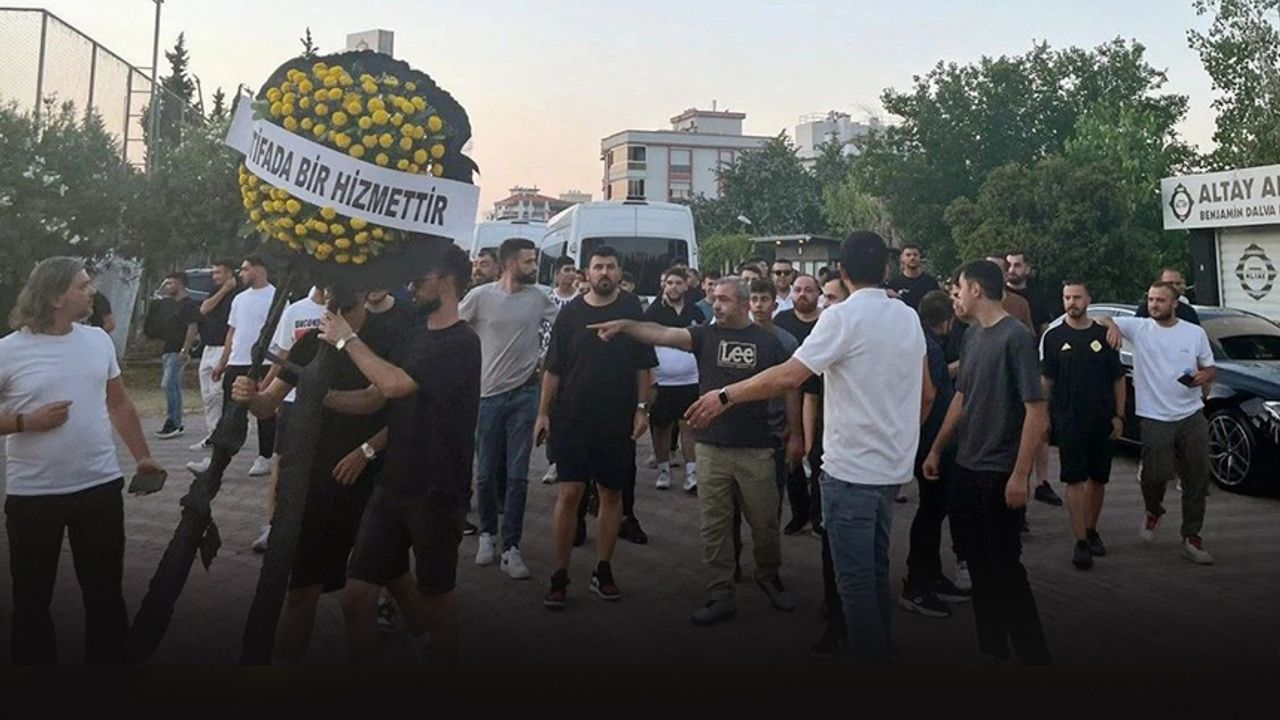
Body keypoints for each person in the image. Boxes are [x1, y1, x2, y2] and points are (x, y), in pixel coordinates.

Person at [685, 232, 932, 664]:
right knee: (874, 571)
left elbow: (788, 376)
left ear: (842, 271)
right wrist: (900, 437)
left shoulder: (841, 318)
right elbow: (927, 394)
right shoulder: (907, 316)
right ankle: (882, 649)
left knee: (855, 582)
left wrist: (724, 395)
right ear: (887, 269)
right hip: (891, 470)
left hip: (851, 471)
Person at [591, 275, 800, 627]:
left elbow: (790, 387)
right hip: (711, 445)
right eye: (714, 298)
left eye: (724, 299)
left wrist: (795, 434)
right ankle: (720, 592)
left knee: (765, 523)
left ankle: (768, 574)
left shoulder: (770, 342)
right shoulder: (705, 335)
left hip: (757, 447)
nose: (716, 305)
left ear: (744, 303)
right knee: (714, 524)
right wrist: (626, 325)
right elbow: (662, 334)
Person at [321, 245, 481, 664]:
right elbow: (376, 396)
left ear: (446, 280)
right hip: (392, 484)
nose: (411, 286)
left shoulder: (462, 342)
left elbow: (396, 385)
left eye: (420, 277)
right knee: (356, 597)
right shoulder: (414, 335)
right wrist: (316, 395)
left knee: (436, 600)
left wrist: (347, 339)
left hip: (437, 490)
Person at [1, 257, 161, 665]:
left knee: (105, 596)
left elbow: (118, 403)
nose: (92, 291)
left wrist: (143, 456)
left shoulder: (98, 341)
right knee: (32, 601)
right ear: (55, 297)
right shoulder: (9, 351)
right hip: (34, 495)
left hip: (99, 488)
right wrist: (26, 421)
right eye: (83, 285)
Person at [231, 288, 390, 663]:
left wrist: (319, 393)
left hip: (367, 478)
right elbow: (268, 403)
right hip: (311, 481)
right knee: (301, 592)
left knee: (362, 596)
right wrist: (248, 396)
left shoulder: (381, 341)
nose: (334, 311)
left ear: (362, 300)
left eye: (343, 304)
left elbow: (375, 398)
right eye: (330, 303)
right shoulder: (308, 345)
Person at [922, 259, 1052, 665]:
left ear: (976, 289)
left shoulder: (1017, 337)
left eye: (958, 289)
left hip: (999, 471)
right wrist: (937, 448)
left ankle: (1035, 657)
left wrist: (1020, 475)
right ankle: (992, 648)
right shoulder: (972, 336)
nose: (955, 297)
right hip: (966, 466)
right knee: (977, 563)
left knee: (1005, 567)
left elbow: (1036, 411)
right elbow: (962, 398)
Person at [535, 246, 657, 609]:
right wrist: (542, 413)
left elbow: (643, 365)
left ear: (620, 272)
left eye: (611, 266)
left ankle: (602, 570)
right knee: (569, 494)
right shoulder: (570, 313)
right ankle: (559, 574)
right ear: (586, 273)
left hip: (616, 420)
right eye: (598, 266)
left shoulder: (631, 309)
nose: (605, 272)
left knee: (611, 494)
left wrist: (642, 409)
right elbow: (553, 369)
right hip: (571, 418)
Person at [1093, 281, 1216, 565]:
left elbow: (1210, 367)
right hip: (1154, 415)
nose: (1154, 305)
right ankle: (1153, 510)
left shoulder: (1194, 333)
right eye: (1150, 300)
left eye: (1160, 300)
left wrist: (1204, 376)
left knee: (1197, 477)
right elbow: (1099, 316)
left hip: (1191, 413)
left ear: (1175, 304)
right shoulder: (1140, 328)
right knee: (1154, 475)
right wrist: (1111, 325)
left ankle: (1191, 536)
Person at [460, 237, 559, 581]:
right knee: (486, 472)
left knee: (518, 475)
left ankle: (511, 547)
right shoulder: (479, 297)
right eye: (529, 261)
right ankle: (488, 534)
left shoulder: (538, 298)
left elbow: (564, 328)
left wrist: (544, 361)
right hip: (486, 397)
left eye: (534, 261)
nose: (535, 267)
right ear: (508, 264)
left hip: (525, 396)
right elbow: (454, 332)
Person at [1040, 281, 1126, 570]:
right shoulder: (1054, 337)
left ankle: (1092, 529)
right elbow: (1047, 380)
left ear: (1088, 299)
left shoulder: (1104, 335)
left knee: (1098, 479)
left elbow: (1118, 379)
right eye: (1067, 297)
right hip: (1068, 419)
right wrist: (1044, 417)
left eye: (1077, 297)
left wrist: (1119, 416)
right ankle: (1080, 541)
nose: (1071, 302)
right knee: (1073, 479)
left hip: (1101, 418)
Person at [900, 290, 970, 619]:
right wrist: (929, 443)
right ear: (947, 321)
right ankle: (917, 583)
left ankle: (931, 574)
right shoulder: (930, 348)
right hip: (931, 443)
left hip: (930, 441)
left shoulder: (921, 342)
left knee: (934, 509)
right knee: (931, 511)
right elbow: (929, 396)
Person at [249, 285, 328, 553]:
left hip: (326, 401)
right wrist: (266, 387)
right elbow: (283, 354)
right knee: (281, 461)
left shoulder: (345, 310)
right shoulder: (296, 310)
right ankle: (273, 524)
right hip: (293, 399)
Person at [205, 254, 278, 478]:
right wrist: (223, 362)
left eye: (246, 269)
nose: (241, 273)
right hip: (237, 362)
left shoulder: (277, 297)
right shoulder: (239, 299)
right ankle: (217, 459)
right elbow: (232, 332)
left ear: (260, 269)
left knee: (265, 412)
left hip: (263, 362)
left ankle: (265, 456)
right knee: (230, 412)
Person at [1004, 251, 1062, 509]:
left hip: (1033, 366)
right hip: (1006, 370)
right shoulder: (999, 296)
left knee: (1039, 424)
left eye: (1017, 265)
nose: (1012, 269)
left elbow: (1045, 332)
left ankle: (1042, 481)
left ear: (1027, 268)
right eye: (1009, 265)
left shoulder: (1037, 298)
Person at [643, 267, 704, 492]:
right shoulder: (653, 312)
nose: (673, 287)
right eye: (669, 283)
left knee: (688, 426)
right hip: (662, 382)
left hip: (691, 380)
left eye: (678, 283)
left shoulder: (696, 312)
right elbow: (645, 345)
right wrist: (650, 378)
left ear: (686, 285)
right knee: (661, 429)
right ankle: (663, 471)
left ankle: (691, 474)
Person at [770, 274, 822, 535]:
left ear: (818, 294)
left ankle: (819, 516)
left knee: (818, 458)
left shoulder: (827, 322)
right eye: (798, 289)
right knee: (792, 459)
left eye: (808, 290)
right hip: (790, 398)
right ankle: (799, 513)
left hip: (821, 399)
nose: (802, 294)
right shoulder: (782, 321)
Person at [144, 271, 200, 439]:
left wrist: (185, 349)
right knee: (173, 385)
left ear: (180, 284)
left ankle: (173, 422)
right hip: (167, 350)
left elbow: (192, 327)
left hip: (178, 350)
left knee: (168, 383)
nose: (167, 287)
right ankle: (176, 421)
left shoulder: (188, 305)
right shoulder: (169, 304)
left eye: (170, 283)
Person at [192, 260, 241, 451]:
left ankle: (223, 433)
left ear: (229, 273)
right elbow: (204, 309)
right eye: (213, 273)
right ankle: (212, 432)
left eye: (218, 273)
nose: (215, 277)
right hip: (209, 346)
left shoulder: (239, 294)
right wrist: (223, 290)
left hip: (224, 347)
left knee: (217, 393)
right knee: (207, 394)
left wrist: (225, 358)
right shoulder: (216, 291)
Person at [984, 256, 1035, 333]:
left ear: (1006, 275)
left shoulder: (1019, 304)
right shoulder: (972, 300)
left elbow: (1029, 334)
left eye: (995, 271)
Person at [1134, 268, 1201, 325]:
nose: (1174, 287)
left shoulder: (1189, 311)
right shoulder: (1146, 310)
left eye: (1178, 283)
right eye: (1169, 283)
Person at [885, 244, 939, 310]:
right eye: (908, 255)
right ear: (902, 258)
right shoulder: (894, 283)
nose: (912, 258)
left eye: (915, 255)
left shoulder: (930, 282)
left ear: (920, 257)